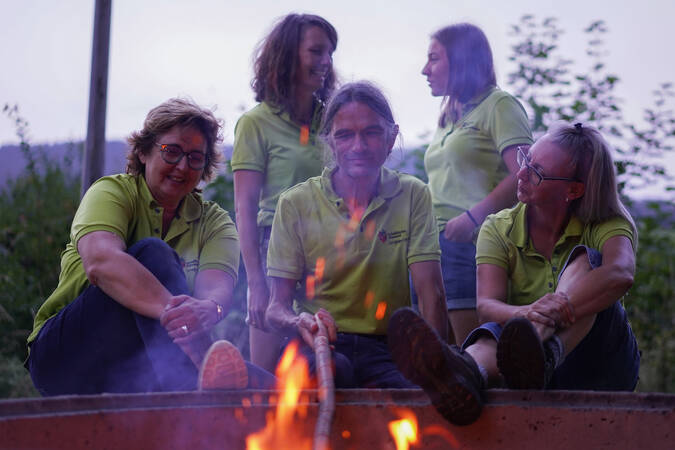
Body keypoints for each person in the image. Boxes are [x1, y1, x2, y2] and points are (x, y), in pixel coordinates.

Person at [389, 122, 640, 425]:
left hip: (600, 364)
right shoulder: (499, 227)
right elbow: (487, 307)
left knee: (589, 263)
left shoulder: (605, 223)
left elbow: (621, 272)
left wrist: (553, 311)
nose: (520, 174)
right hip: (525, 368)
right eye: (526, 160)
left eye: (537, 172)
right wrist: (530, 312)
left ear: (573, 190)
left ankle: (541, 352)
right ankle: (465, 375)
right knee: (504, 331)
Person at [26, 98, 273, 395]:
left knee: (274, 390)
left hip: (148, 364)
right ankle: (189, 394)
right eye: (172, 152)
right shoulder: (113, 192)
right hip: (65, 358)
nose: (183, 166)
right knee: (152, 254)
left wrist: (208, 308)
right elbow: (100, 262)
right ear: (143, 152)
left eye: (196, 157)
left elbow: (216, 292)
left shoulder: (214, 222)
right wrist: (180, 318)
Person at [265, 81, 448, 388]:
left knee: (412, 400)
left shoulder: (412, 195)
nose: (358, 146)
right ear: (330, 142)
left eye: (372, 133)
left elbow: (432, 292)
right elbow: (276, 308)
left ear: (391, 138)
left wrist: (437, 365)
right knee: (331, 376)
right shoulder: (296, 203)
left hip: (388, 348)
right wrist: (299, 321)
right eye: (345, 135)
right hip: (316, 344)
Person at [231, 13, 338, 373]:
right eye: (316, 51)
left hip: (332, 252)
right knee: (265, 366)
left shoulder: (333, 122)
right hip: (272, 247)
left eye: (330, 53)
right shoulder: (255, 123)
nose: (326, 62)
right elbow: (245, 208)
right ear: (287, 55)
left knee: (323, 360)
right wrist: (256, 285)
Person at [420, 23, 533, 345]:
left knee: (471, 352)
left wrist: (472, 218)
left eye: (434, 59)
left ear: (462, 60)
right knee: (436, 355)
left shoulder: (499, 106)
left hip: (469, 243)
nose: (425, 69)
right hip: (431, 244)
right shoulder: (451, 117)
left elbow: (526, 175)